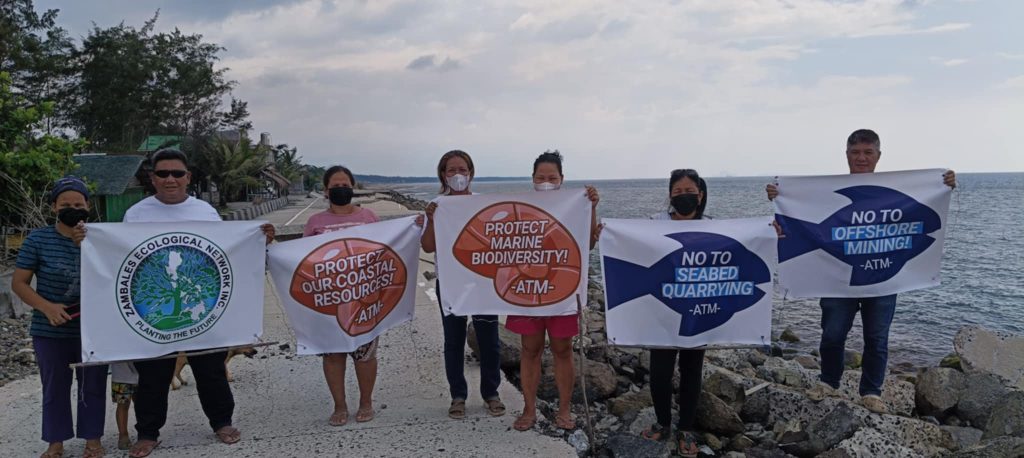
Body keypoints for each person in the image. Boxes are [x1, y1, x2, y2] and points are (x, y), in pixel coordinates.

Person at [766, 129, 957, 414]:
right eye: (855, 153)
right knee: (832, 334)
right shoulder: (828, 192)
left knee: (877, 338)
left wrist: (944, 184)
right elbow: (799, 210)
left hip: (883, 278)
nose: (862, 158)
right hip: (837, 278)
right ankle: (828, 381)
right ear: (846, 155)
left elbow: (922, 217)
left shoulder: (901, 190)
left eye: (868, 152)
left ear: (879, 156)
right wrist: (780, 195)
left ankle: (871, 391)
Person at [115, 149, 276, 458]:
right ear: (153, 179)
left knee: (211, 368)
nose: (170, 179)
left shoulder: (205, 212)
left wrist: (258, 239)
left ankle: (222, 422)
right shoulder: (135, 214)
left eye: (177, 173)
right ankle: (148, 433)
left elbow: (225, 253)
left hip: (200, 304)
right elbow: (124, 259)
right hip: (155, 314)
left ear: (188, 177)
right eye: (163, 173)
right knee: (153, 374)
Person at [12, 176, 108, 458]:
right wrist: (46, 307)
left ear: (88, 206)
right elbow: (19, 283)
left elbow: (112, 277)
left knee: (92, 385)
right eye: (65, 204)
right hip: (49, 329)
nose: (72, 208)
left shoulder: (101, 238)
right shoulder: (38, 240)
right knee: (54, 386)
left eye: (78, 203)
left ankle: (93, 439)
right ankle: (55, 441)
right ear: (54, 207)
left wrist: (86, 248)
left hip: (93, 329)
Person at [508, 151, 599, 431]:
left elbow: (589, 244)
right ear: (532, 179)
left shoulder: (575, 206)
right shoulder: (520, 206)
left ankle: (564, 411)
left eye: (552, 178)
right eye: (540, 177)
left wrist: (592, 206)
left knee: (563, 351)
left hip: (561, 291)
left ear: (562, 180)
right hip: (527, 291)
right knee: (529, 350)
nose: (546, 182)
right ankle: (529, 409)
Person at [629, 168, 710, 458]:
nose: (684, 197)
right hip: (661, 310)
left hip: (697, 311)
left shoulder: (715, 227)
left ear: (700, 195)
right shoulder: (654, 223)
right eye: (677, 193)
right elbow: (630, 247)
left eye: (689, 192)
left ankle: (686, 429)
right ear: (670, 196)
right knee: (660, 372)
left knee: (692, 371)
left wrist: (769, 231)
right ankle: (663, 423)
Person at [421, 150, 506, 419]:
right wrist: (432, 219)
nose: (457, 175)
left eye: (462, 169)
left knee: (490, 341)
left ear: (471, 172)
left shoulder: (484, 204)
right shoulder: (437, 205)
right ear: (443, 175)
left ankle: (491, 393)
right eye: (451, 170)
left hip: (482, 283)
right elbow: (427, 245)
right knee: (453, 342)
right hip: (451, 284)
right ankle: (458, 395)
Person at [302, 166, 381, 426]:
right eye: (335, 186)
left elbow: (385, 250)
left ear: (353, 186)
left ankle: (366, 402)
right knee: (333, 356)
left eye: (344, 184)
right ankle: (340, 405)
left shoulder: (369, 216)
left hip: (364, 299)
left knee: (365, 354)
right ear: (326, 191)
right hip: (329, 302)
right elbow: (302, 259)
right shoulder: (315, 223)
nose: (340, 190)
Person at [110, 362, 139, 450]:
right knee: (123, 405)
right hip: (120, 374)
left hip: (141, 371)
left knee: (141, 404)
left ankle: (144, 432)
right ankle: (123, 435)